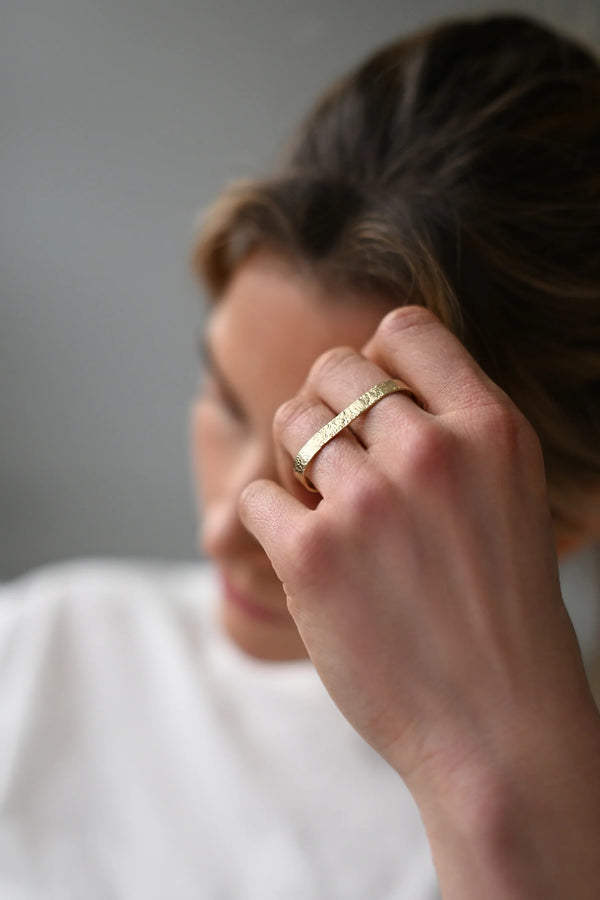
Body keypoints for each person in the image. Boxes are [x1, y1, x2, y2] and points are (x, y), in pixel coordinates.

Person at [1, 11, 600, 899]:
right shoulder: (40, 654)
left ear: (565, 521)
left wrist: (487, 791)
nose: (224, 529)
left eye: (339, 461)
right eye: (224, 401)